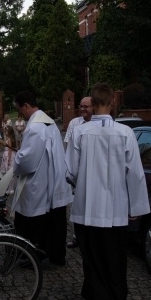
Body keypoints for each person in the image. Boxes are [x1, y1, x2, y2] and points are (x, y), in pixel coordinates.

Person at [65, 83, 150, 300]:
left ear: (92, 103)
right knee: (113, 252)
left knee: (91, 253)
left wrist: (81, 183)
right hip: (116, 206)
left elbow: (70, 169)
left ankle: (97, 296)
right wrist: (136, 205)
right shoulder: (125, 133)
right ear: (113, 102)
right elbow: (134, 172)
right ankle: (113, 295)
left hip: (87, 205)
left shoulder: (80, 132)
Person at [11, 91, 73, 268]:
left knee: (35, 219)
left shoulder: (35, 128)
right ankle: (55, 254)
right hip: (51, 178)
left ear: (26, 106)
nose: (20, 114)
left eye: (19, 109)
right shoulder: (49, 122)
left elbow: (27, 160)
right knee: (54, 218)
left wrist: (17, 161)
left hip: (38, 181)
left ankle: (36, 254)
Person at [64, 97, 93, 249]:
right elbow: (68, 144)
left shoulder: (98, 124)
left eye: (86, 107)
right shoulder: (74, 123)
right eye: (80, 106)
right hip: (77, 173)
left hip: (93, 173)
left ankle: (91, 237)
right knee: (77, 205)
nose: (82, 109)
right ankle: (77, 237)